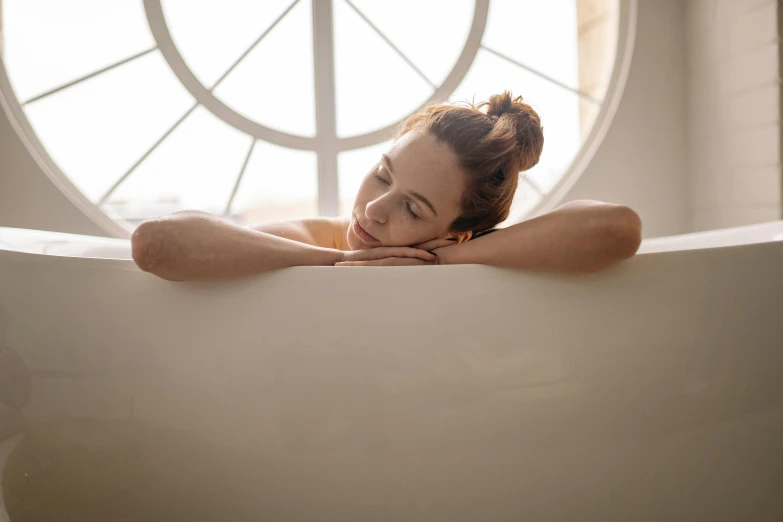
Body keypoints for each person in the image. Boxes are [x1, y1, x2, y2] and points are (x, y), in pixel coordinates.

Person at [131, 91, 642, 281]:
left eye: (412, 209)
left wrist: (446, 261)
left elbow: (615, 230)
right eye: (381, 174)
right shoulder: (315, 238)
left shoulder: (461, 252)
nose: (372, 210)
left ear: (456, 233)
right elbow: (156, 244)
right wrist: (341, 264)